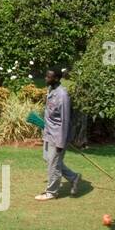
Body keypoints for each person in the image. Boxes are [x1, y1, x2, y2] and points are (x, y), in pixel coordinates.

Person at [35, 68, 80, 201]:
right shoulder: (51, 90)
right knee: (49, 160)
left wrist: (61, 143)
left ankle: (51, 192)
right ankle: (74, 177)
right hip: (48, 133)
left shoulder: (62, 95)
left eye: (48, 77)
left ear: (56, 79)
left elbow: (65, 120)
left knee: (54, 164)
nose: (45, 79)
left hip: (58, 136)